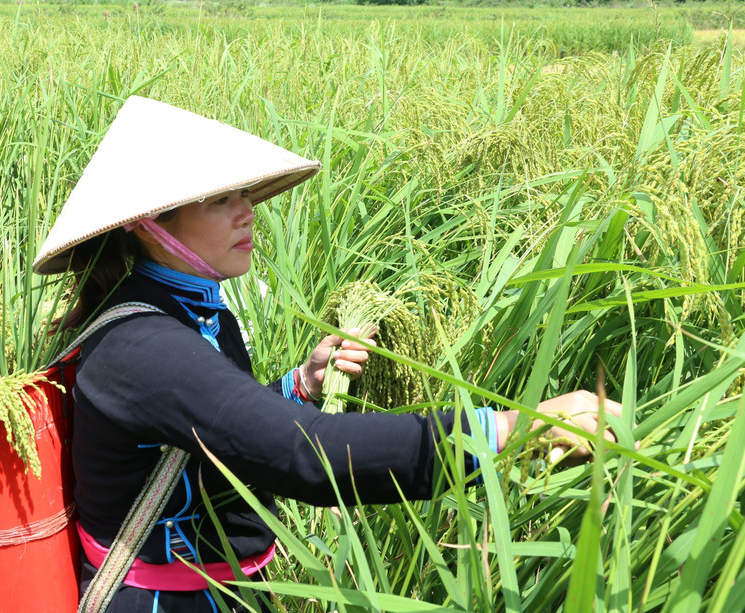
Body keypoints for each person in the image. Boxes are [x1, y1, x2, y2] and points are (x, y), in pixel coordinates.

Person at [33, 96, 622, 612]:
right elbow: (307, 455)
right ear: (147, 223)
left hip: (224, 591)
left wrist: (300, 386)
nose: (248, 212)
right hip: (162, 603)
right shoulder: (144, 346)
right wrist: (504, 431)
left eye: (244, 193)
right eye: (219, 200)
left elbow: (215, 433)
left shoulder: (196, 311)